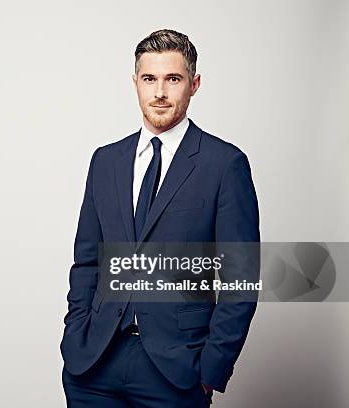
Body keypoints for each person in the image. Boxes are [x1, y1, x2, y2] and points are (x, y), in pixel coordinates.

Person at [60, 29, 260, 407]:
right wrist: (76, 336)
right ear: (135, 83)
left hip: (177, 370)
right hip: (94, 365)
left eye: (173, 79)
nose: (160, 93)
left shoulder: (225, 165)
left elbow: (241, 280)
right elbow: (87, 261)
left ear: (194, 84)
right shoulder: (105, 161)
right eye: (149, 79)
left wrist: (210, 371)